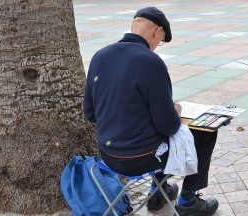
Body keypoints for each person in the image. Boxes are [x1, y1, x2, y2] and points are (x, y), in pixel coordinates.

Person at [83, 6, 219, 216]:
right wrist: (176, 111)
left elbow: (90, 114)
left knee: (156, 139)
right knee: (205, 132)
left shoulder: (99, 56)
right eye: (162, 39)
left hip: (108, 156)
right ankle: (188, 200)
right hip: (140, 159)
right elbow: (168, 125)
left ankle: (158, 193)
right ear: (157, 32)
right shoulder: (151, 62)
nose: (158, 45)